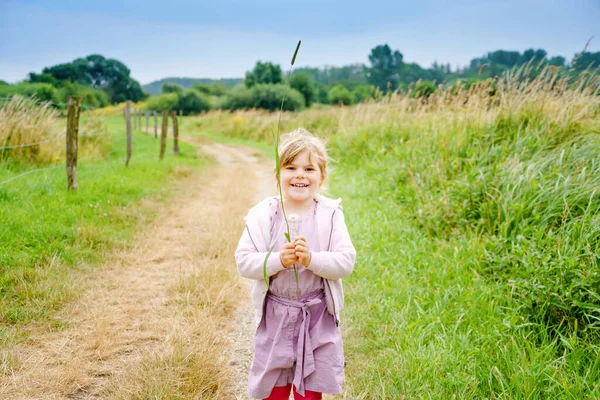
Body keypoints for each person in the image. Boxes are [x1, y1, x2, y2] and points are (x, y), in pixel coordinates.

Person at [235, 128, 356, 400]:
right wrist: (277, 260)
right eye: (291, 167)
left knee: (310, 391)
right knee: (273, 388)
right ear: (278, 175)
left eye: (309, 168)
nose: (300, 174)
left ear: (322, 176)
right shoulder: (264, 214)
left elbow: (346, 262)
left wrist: (313, 259)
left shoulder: (330, 213)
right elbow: (244, 262)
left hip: (316, 316)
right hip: (276, 314)